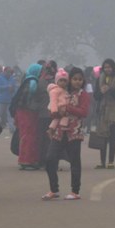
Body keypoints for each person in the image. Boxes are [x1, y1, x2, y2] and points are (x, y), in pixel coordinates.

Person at [42, 67, 91, 200]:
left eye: (80, 79)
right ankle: (54, 189)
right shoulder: (62, 91)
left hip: (74, 131)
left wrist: (68, 108)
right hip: (59, 131)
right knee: (50, 159)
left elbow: (84, 112)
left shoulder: (83, 95)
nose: (77, 82)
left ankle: (75, 191)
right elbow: (53, 107)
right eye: (74, 79)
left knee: (75, 162)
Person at [10, 63, 46, 170]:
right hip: (27, 112)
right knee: (28, 136)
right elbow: (30, 96)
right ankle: (26, 161)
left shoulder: (27, 80)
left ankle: (29, 160)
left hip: (23, 112)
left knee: (27, 136)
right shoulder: (33, 82)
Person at [93, 58, 115, 169]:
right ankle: (102, 162)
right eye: (105, 67)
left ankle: (111, 161)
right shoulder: (99, 79)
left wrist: (110, 90)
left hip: (114, 111)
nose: (107, 69)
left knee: (112, 137)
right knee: (102, 137)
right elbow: (96, 96)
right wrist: (101, 92)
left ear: (113, 67)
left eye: (109, 67)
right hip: (102, 111)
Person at [0, 66, 16, 134]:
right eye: (9, 72)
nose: (10, 73)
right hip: (1, 100)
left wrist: (12, 89)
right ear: (5, 71)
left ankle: (12, 129)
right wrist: (7, 87)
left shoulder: (12, 78)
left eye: (11, 72)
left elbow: (14, 87)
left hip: (9, 99)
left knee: (10, 115)